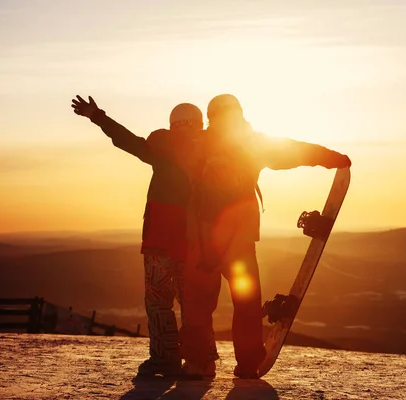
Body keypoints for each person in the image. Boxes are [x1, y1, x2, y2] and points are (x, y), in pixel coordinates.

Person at [178, 94, 352, 379]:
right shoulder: (252, 143)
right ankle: (248, 363)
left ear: (211, 116)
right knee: (245, 304)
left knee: (198, 306)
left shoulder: (199, 142)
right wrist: (333, 158)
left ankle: (198, 363)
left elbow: (161, 157)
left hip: (203, 240)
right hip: (239, 240)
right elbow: (295, 152)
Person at [70, 95, 209, 377]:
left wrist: (97, 116)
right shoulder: (211, 153)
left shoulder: (161, 148)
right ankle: (202, 361)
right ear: (199, 124)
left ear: (172, 125)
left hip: (159, 240)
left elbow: (127, 141)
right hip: (194, 243)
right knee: (194, 305)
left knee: (159, 303)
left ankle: (164, 358)